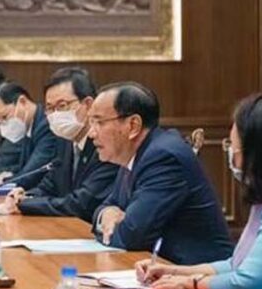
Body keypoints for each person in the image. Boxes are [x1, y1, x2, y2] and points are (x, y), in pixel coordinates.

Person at [137, 94, 262, 289]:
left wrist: (191, 284)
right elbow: (235, 265)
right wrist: (173, 272)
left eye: (232, 146)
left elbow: (248, 284)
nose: (230, 154)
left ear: (257, 153)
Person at [88, 82, 232, 265]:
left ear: (133, 125)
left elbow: (131, 236)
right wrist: (107, 213)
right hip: (161, 271)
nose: (91, 133)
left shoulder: (163, 157)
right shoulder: (135, 154)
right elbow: (106, 206)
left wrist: (114, 226)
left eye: (99, 122)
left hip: (197, 276)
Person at [0, 67, 118, 221]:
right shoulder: (64, 141)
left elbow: (82, 203)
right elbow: (50, 185)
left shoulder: (105, 144)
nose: (55, 115)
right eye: (50, 108)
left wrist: (27, 204)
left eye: (62, 106)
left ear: (88, 105)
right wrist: (24, 196)